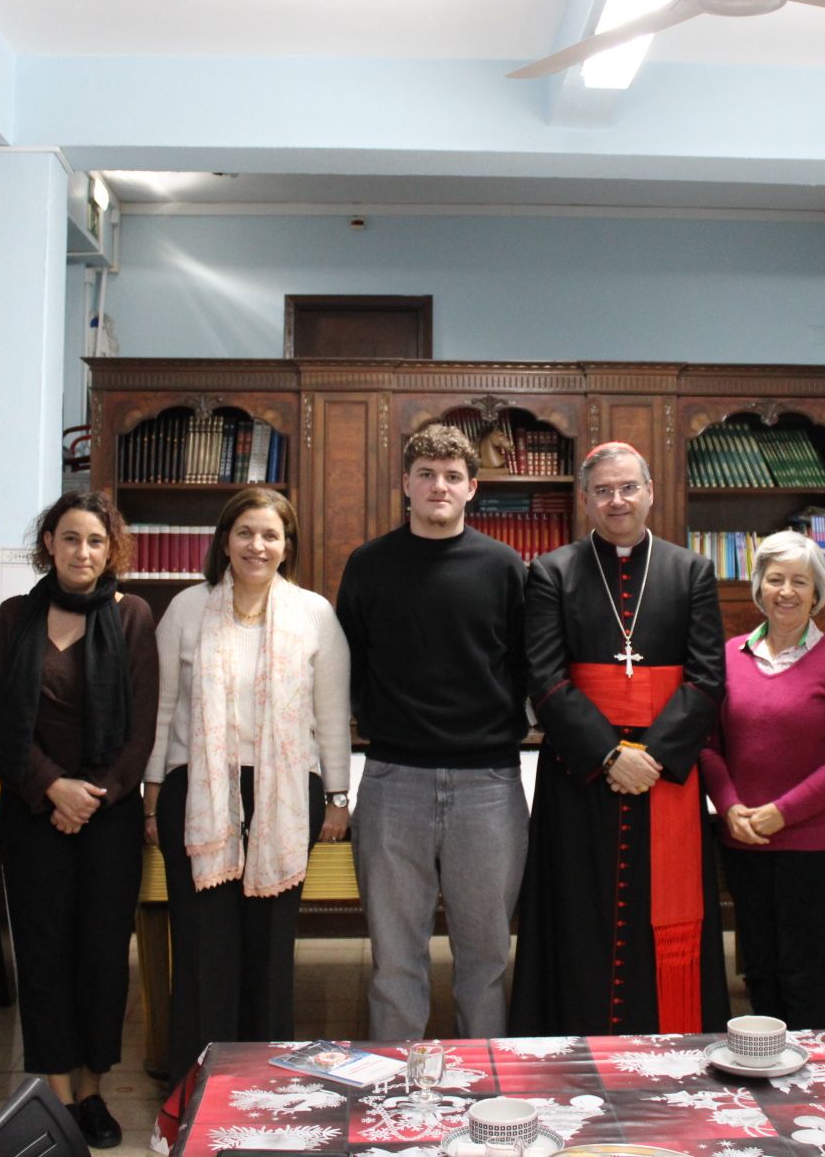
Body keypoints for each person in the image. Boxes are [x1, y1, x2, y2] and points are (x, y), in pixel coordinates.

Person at [509, 441, 728, 1035]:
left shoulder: (691, 571)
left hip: (666, 775)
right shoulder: (553, 571)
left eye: (628, 487)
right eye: (603, 490)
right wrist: (609, 755)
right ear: (584, 500)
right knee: (579, 916)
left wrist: (651, 758)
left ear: (651, 492)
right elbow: (544, 679)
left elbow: (708, 678)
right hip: (581, 775)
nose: (617, 500)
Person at [144, 487, 351, 1078]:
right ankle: (199, 1084)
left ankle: (264, 1082)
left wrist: (337, 796)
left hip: (285, 795)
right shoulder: (187, 608)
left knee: (268, 946)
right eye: (245, 533)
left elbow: (331, 713)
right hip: (199, 792)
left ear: (286, 546)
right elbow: (163, 708)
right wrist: (152, 794)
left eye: (270, 535)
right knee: (204, 947)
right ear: (225, 541)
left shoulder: (314, 612)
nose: (257, 545)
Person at [336, 422, 529, 1039]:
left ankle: (489, 1094)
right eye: (426, 475)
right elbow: (350, 665)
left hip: (488, 784)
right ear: (406, 485)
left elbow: (525, 666)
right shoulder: (368, 565)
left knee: (486, 959)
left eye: (451, 477)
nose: (438, 486)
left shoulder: (504, 568)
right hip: (394, 780)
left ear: (471, 488)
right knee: (395, 960)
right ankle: (399, 1100)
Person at [0, 491, 157, 1148]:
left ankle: (92, 1094)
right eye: (72, 538)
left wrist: (95, 796)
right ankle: (53, 1096)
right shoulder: (14, 617)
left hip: (108, 818)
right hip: (33, 813)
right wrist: (54, 788)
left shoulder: (133, 616)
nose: (84, 552)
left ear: (112, 551)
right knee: (44, 954)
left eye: (96, 541)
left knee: (103, 959)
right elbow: (0, 725)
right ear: (49, 542)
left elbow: (142, 729)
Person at [699, 530, 825, 1031]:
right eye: (775, 579)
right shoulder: (731, 655)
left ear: (817, 592)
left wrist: (783, 812)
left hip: (813, 846)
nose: (787, 592)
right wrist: (730, 807)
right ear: (758, 588)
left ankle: (811, 1080)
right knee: (760, 969)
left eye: (800, 581)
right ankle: (766, 1071)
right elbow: (708, 746)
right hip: (744, 839)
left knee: (803, 970)